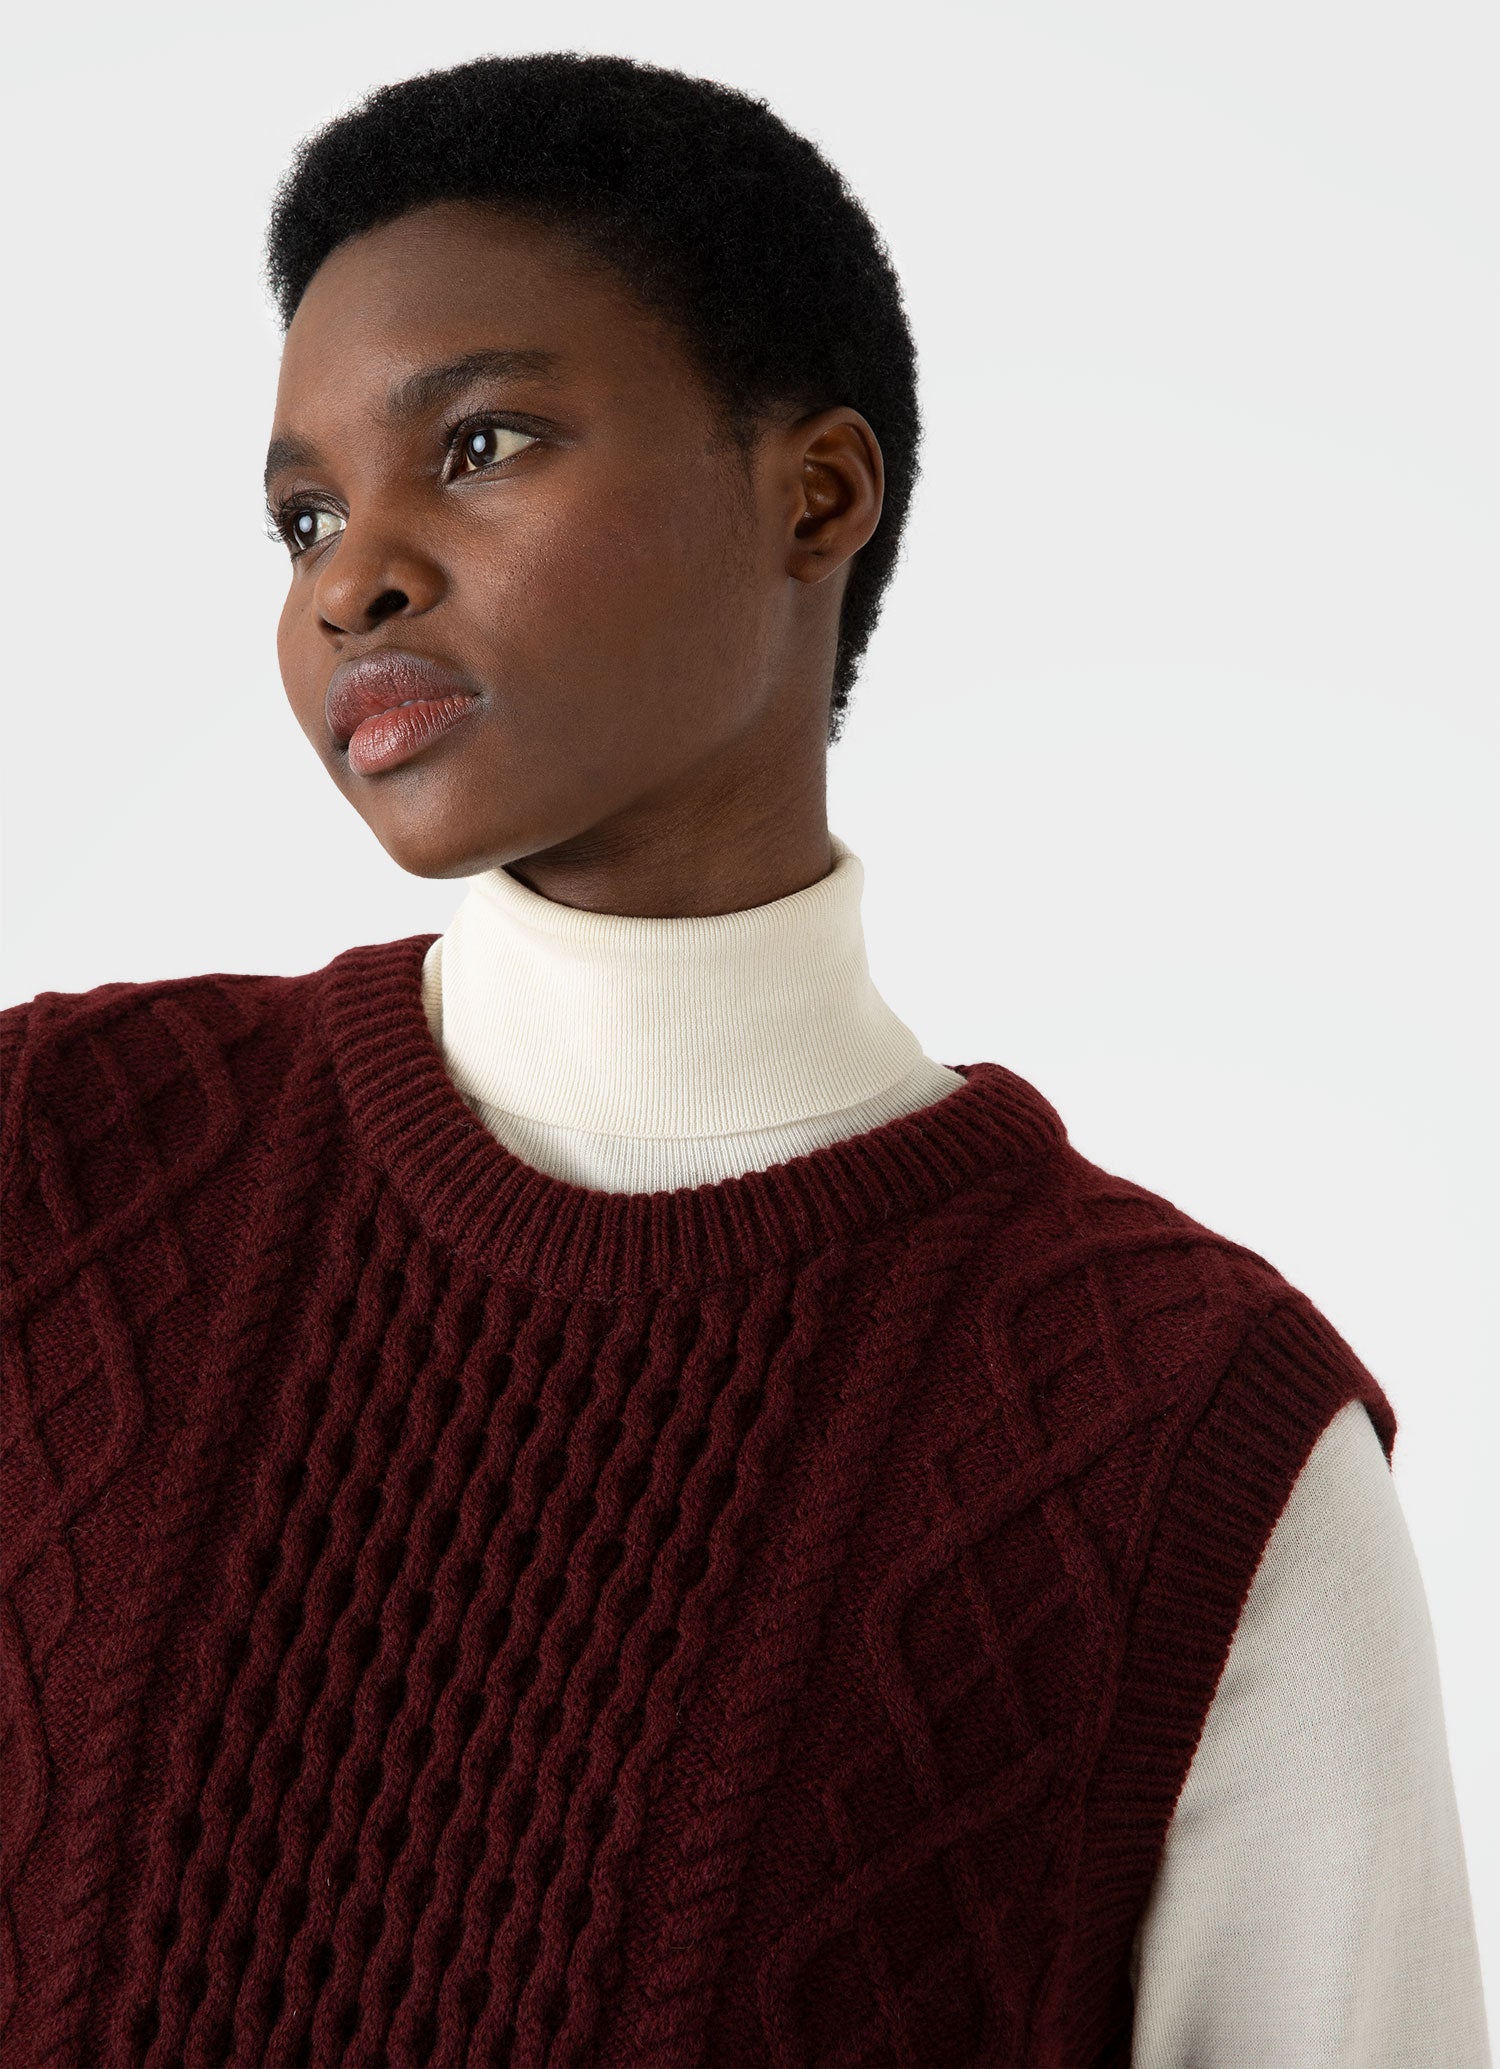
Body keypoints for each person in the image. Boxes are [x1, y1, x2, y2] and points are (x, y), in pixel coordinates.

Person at [0, 50, 1488, 2069]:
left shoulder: (1183, 1430)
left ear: (816, 493)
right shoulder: (61, 1165)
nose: (352, 576)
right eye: (305, 516)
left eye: (482, 442)